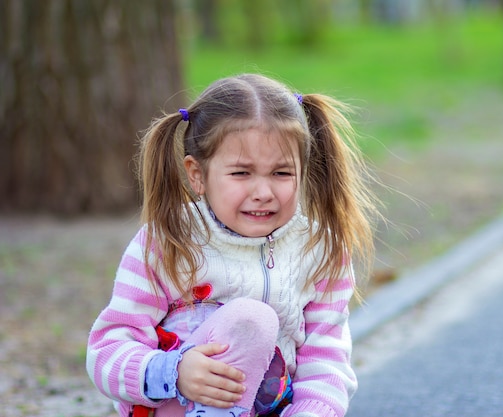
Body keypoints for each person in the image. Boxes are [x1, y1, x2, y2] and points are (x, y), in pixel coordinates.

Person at [86, 73, 381, 417]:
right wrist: (174, 372)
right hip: (173, 404)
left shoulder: (319, 250)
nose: (263, 192)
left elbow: (326, 362)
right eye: (242, 173)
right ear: (197, 174)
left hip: (267, 405)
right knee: (250, 320)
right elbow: (106, 352)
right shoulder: (168, 241)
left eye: (282, 173)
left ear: (303, 170)